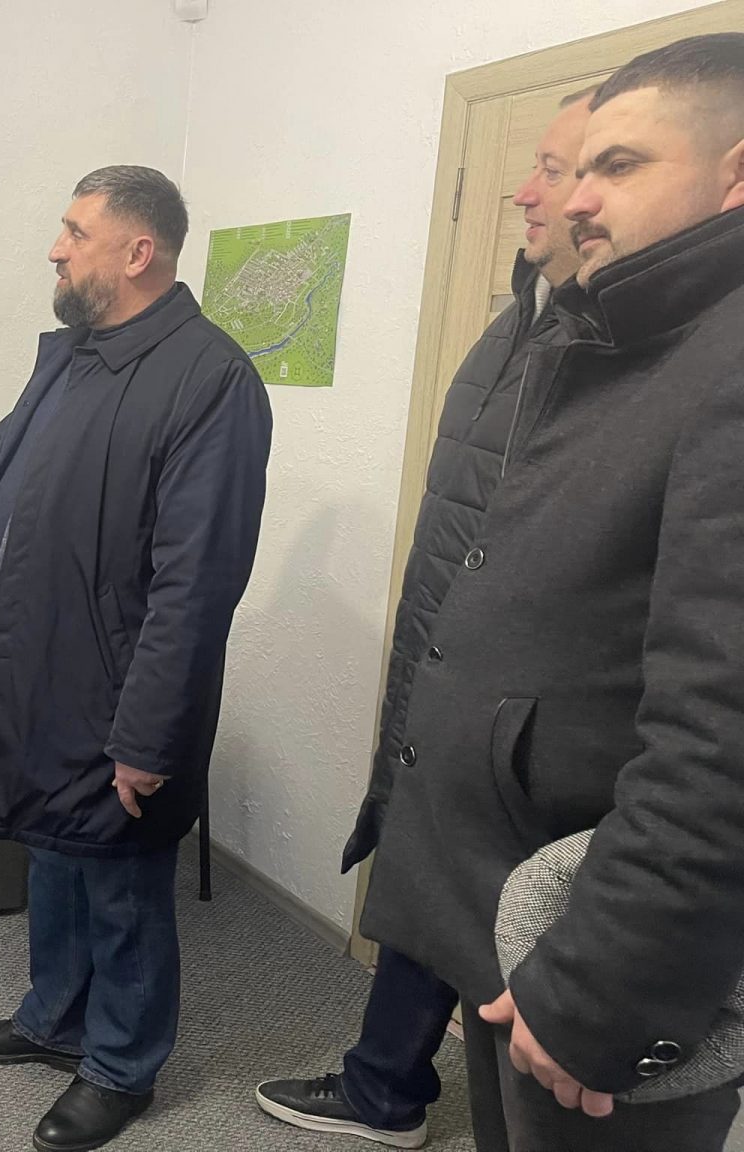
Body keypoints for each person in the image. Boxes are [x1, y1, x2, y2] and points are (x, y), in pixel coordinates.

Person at [361, 33, 744, 1152]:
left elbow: (724, 731)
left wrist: (598, 988)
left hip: (596, 944)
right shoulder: (621, 337)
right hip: (519, 904)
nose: (575, 199)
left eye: (618, 165)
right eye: (575, 169)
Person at [0, 165, 271, 1152]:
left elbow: (196, 582)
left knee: (123, 885)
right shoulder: (76, 357)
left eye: (75, 232)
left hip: (122, 694)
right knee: (54, 859)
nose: (56, 248)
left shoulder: (211, 380)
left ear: (138, 252)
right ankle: (54, 1017)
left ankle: (123, 1065)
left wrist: (148, 737)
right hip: (42, 671)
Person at [254, 90, 595, 1150]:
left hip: (532, 707)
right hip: (448, 664)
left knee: (512, 931)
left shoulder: (625, 352)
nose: (524, 190)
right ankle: (385, 1088)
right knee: (424, 865)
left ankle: (400, 1091)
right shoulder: (518, 324)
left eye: (557, 168)